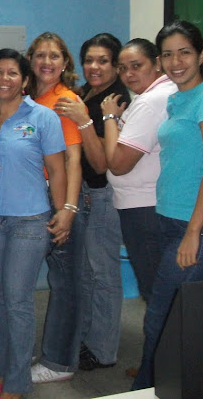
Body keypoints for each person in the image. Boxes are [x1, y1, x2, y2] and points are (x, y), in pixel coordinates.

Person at [132, 21, 203, 390]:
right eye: (168, 54)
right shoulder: (177, 98)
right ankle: (178, 383)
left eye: (185, 52)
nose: (176, 61)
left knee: (162, 315)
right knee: (180, 315)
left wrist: (193, 233)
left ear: (202, 55)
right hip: (171, 220)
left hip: (198, 225)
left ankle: (145, 388)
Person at [0, 49, 67, 399]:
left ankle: (17, 382)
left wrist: (62, 211)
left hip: (30, 219)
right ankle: (3, 367)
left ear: (25, 80)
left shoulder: (43, 117)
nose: (5, 79)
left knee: (17, 299)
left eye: (12, 73)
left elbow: (57, 169)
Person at [54, 33, 130, 372]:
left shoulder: (117, 100)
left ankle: (102, 350)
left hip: (103, 195)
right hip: (82, 192)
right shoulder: (85, 93)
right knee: (85, 273)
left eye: (102, 61)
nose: (94, 67)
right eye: (89, 60)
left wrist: (84, 118)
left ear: (115, 65)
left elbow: (101, 163)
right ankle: (87, 337)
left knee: (103, 274)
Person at [24, 32, 83, 384]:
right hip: (31, 195)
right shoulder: (31, 98)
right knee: (20, 277)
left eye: (54, 56)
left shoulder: (64, 101)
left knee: (64, 281)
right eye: (40, 55)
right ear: (30, 60)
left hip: (57, 197)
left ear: (65, 63)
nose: (47, 62)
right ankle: (21, 345)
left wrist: (68, 209)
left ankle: (59, 362)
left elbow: (72, 160)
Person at [99, 39, 175, 303]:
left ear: (156, 63)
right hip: (149, 204)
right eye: (122, 68)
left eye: (136, 66)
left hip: (144, 208)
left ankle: (163, 345)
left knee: (154, 290)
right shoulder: (153, 97)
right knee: (158, 288)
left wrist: (109, 118)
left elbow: (118, 164)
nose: (128, 74)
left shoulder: (150, 102)